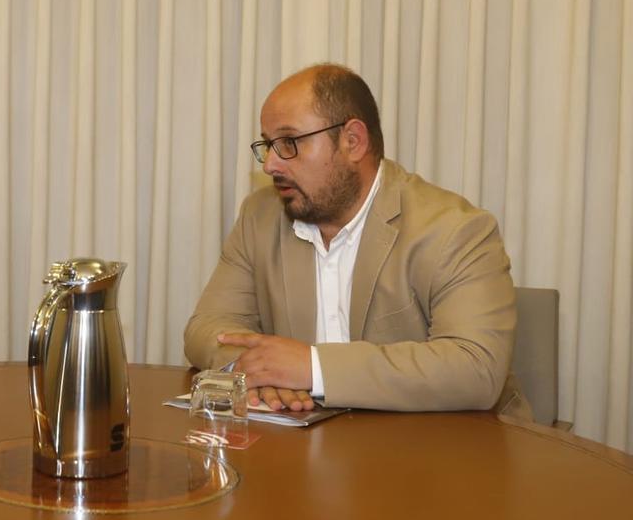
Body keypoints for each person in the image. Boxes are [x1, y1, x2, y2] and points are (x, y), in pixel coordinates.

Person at [184, 64, 530, 418]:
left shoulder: (454, 230)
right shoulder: (260, 216)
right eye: (269, 145)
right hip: (308, 450)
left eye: (289, 143)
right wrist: (262, 369)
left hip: (441, 452)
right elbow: (206, 328)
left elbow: (475, 368)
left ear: (353, 141)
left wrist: (313, 368)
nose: (271, 164)